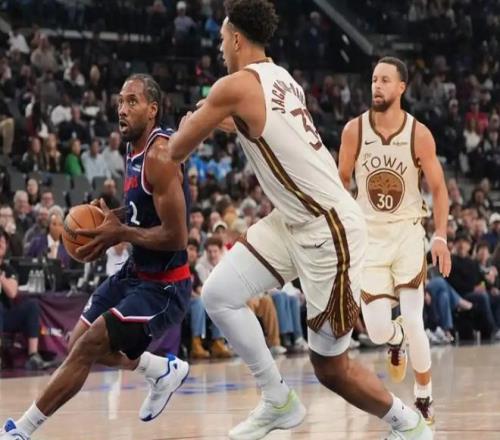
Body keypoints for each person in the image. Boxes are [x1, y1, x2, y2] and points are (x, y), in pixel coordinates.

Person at [167, 1, 432, 439]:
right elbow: (262, 127)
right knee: (219, 294)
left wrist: (191, 124)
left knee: (330, 368)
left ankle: (410, 425)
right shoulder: (282, 78)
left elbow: (177, 150)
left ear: (236, 39)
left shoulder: (233, 86)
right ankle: (277, 399)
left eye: (222, 39)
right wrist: (217, 120)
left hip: (329, 229)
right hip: (292, 220)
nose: (219, 48)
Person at [0, 74, 192, 439]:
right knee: (77, 343)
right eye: (120, 101)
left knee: (87, 347)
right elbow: (140, 213)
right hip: (136, 271)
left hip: (165, 286)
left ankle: (20, 431)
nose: (122, 109)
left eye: (132, 101)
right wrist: (112, 221)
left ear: (153, 109)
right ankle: (159, 370)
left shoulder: (159, 155)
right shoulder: (133, 148)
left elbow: (177, 236)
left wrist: (120, 233)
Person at [338, 56, 452, 424]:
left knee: (415, 318)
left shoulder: (418, 133)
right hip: (369, 235)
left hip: (406, 231)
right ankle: (393, 338)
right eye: (374, 79)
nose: (377, 85)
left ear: (402, 87)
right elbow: (341, 183)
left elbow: (439, 188)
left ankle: (423, 397)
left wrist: (440, 236)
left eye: (385, 80)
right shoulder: (354, 131)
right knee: (375, 329)